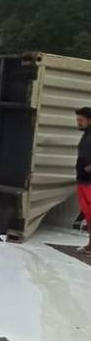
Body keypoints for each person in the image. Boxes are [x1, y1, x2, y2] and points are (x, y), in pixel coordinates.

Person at [75, 107, 91, 254]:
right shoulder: (86, 135)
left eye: (81, 120)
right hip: (82, 180)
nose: (78, 123)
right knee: (88, 213)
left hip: (89, 181)